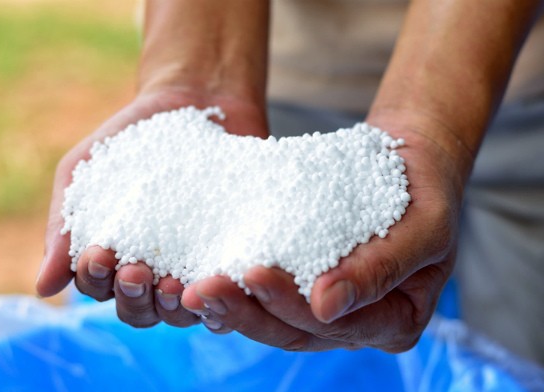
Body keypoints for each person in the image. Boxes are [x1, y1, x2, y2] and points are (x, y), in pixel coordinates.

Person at [36, 0, 544, 363]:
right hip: (273, 61)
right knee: (228, 346)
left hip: (516, 69)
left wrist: (435, 126)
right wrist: (194, 78)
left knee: (521, 352)